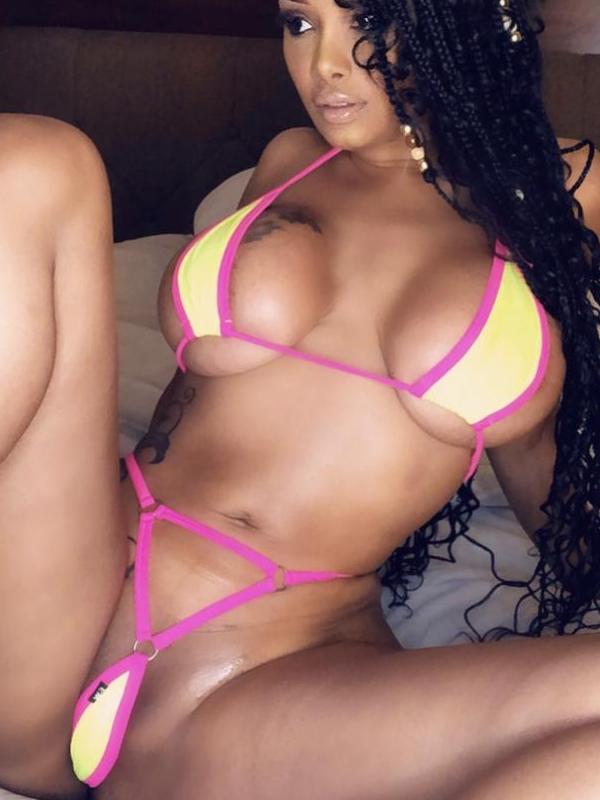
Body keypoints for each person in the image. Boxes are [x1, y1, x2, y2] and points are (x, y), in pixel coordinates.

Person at [1, 0, 600, 798]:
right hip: (77, 578)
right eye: (299, 23)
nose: (325, 65)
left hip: (266, 676)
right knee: (34, 160)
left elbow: (559, 498)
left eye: (368, 18)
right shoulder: (290, 158)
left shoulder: (569, 191)